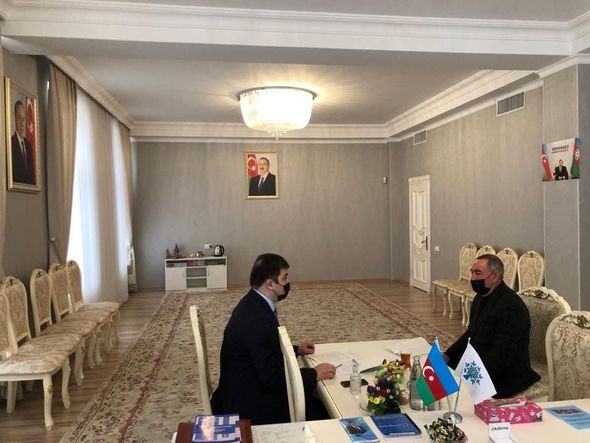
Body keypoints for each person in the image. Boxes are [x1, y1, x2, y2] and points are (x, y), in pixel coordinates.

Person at [211, 253, 336, 424]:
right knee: (323, 411)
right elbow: (273, 378)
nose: (287, 283)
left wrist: (297, 349)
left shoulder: (253, 302)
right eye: (284, 278)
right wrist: (314, 373)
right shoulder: (258, 320)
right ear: (270, 284)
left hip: (243, 387)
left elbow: (265, 348)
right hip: (248, 404)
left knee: (312, 395)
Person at [443, 254, 540, 398]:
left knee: (452, 389)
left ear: (494, 276)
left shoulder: (511, 307)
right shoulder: (480, 297)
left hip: (504, 373)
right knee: (440, 374)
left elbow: (502, 354)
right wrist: (448, 355)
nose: (472, 278)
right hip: (481, 360)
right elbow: (471, 333)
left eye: (478, 273)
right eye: (472, 272)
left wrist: (469, 376)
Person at [11, 100, 35, 185]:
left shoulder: (28, 145)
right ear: (15, 118)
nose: (22, 124)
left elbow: (32, 177)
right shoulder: (10, 144)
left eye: (24, 119)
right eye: (19, 118)